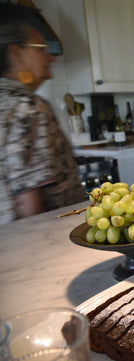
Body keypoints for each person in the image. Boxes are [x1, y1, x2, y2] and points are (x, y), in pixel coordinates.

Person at [0, 21, 84, 225]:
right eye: (41, 49)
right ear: (16, 53)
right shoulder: (28, 106)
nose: (51, 57)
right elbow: (29, 201)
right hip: (45, 237)